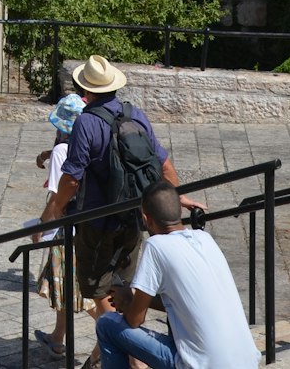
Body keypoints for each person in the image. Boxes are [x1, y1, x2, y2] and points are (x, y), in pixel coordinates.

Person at [37, 54, 187, 337]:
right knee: (122, 288)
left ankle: (131, 354)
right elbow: (164, 165)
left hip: (98, 221)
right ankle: (104, 356)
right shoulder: (136, 115)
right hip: (134, 217)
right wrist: (173, 205)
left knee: (97, 288)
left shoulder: (87, 122)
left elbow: (72, 177)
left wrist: (57, 207)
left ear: (86, 90)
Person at [98, 180, 260, 368]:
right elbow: (186, 302)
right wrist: (136, 299)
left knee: (107, 324)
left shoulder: (156, 246)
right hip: (247, 360)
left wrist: (128, 302)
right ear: (180, 212)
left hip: (203, 365)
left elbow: (135, 320)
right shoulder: (204, 239)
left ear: (145, 217)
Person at [32, 93, 96, 360]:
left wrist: (40, 226)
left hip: (66, 229)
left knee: (81, 291)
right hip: (90, 222)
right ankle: (58, 338)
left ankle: (119, 337)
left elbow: (59, 197)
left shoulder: (62, 151)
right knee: (65, 286)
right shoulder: (92, 143)